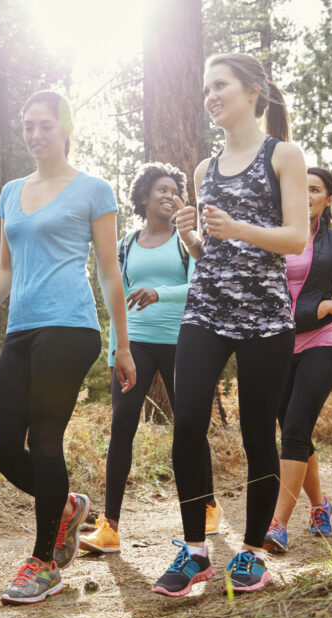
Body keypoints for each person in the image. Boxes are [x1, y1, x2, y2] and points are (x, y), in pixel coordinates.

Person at [0, 90, 136, 605]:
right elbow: (6, 269)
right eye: (27, 125)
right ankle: (66, 505)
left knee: (45, 441)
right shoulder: (12, 191)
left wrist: (121, 344)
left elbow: (108, 270)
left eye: (44, 125)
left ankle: (43, 563)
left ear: (65, 128)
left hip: (71, 326)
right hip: (22, 329)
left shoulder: (93, 189)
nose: (35, 134)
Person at [152, 53, 309, 597]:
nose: (210, 96)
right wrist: (192, 234)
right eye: (205, 89)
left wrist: (237, 225)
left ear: (252, 91)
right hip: (207, 309)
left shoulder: (283, 154)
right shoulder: (203, 170)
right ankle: (195, 551)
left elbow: (296, 239)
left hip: (265, 316)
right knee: (189, 420)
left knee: (255, 431)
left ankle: (251, 553)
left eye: (220, 85)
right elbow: (208, 252)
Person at [79, 163, 222, 554]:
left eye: (174, 190)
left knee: (189, 427)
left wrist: (161, 292)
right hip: (136, 342)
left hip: (183, 341)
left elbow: (201, 285)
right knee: (122, 425)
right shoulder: (125, 244)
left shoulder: (185, 239)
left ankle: (207, 504)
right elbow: (116, 298)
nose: (168, 195)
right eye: (160, 189)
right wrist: (116, 350)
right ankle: (110, 526)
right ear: (143, 197)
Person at [263, 168, 332, 553]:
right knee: (293, 431)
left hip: (321, 343)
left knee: (295, 430)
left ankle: (277, 525)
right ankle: (321, 507)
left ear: (328, 199)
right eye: (299, 187)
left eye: (315, 189)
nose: (306, 195)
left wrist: (325, 306)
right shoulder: (273, 237)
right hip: (275, 345)